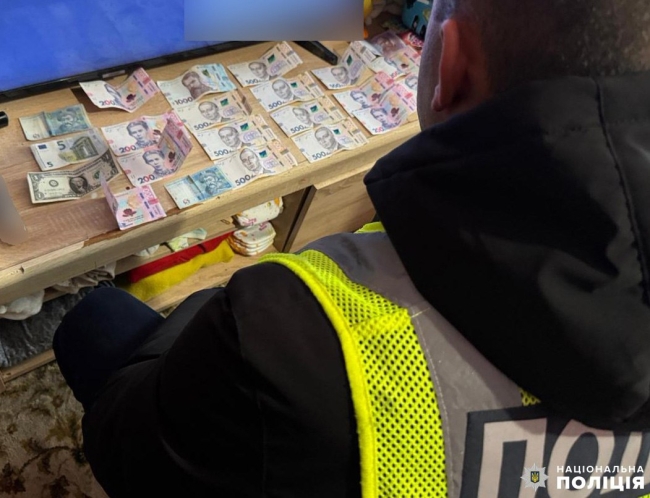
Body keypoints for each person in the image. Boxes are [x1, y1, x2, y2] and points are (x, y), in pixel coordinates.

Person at [53, 1, 650, 496]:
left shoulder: (283, 332)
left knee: (94, 322)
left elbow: (129, 453)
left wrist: (222, 306)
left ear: (452, 67)